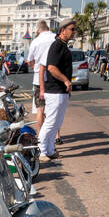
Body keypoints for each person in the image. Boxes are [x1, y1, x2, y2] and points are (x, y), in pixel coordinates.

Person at [38, 18, 77, 162]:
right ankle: (41, 150)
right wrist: (66, 80)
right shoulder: (57, 46)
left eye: (74, 30)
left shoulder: (63, 46)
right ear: (62, 30)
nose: (74, 32)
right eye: (71, 29)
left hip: (61, 91)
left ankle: (49, 149)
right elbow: (51, 68)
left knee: (57, 122)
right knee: (50, 121)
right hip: (54, 91)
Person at [26, 19, 55, 114]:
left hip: (38, 78)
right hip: (55, 77)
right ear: (48, 28)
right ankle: (54, 129)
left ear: (38, 31)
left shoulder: (35, 41)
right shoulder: (56, 38)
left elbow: (30, 61)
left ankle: (40, 129)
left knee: (40, 109)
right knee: (53, 111)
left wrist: (33, 65)